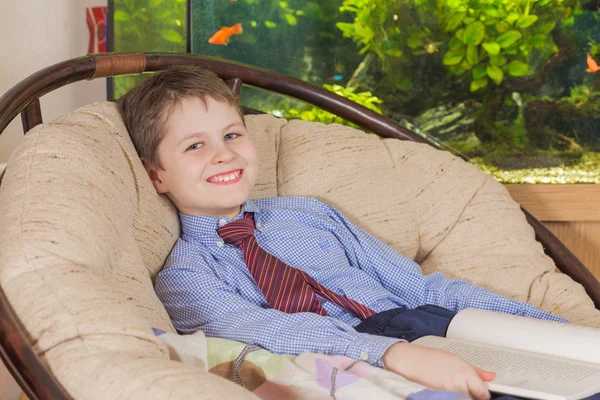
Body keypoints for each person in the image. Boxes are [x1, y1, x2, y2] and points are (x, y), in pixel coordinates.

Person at [117, 65, 566, 400]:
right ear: (156, 176)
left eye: (232, 134)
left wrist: (552, 329)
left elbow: (420, 286)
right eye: (195, 145)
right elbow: (265, 330)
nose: (223, 154)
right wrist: (390, 354)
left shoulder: (309, 214)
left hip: (422, 321)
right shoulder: (185, 275)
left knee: (570, 376)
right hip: (350, 356)